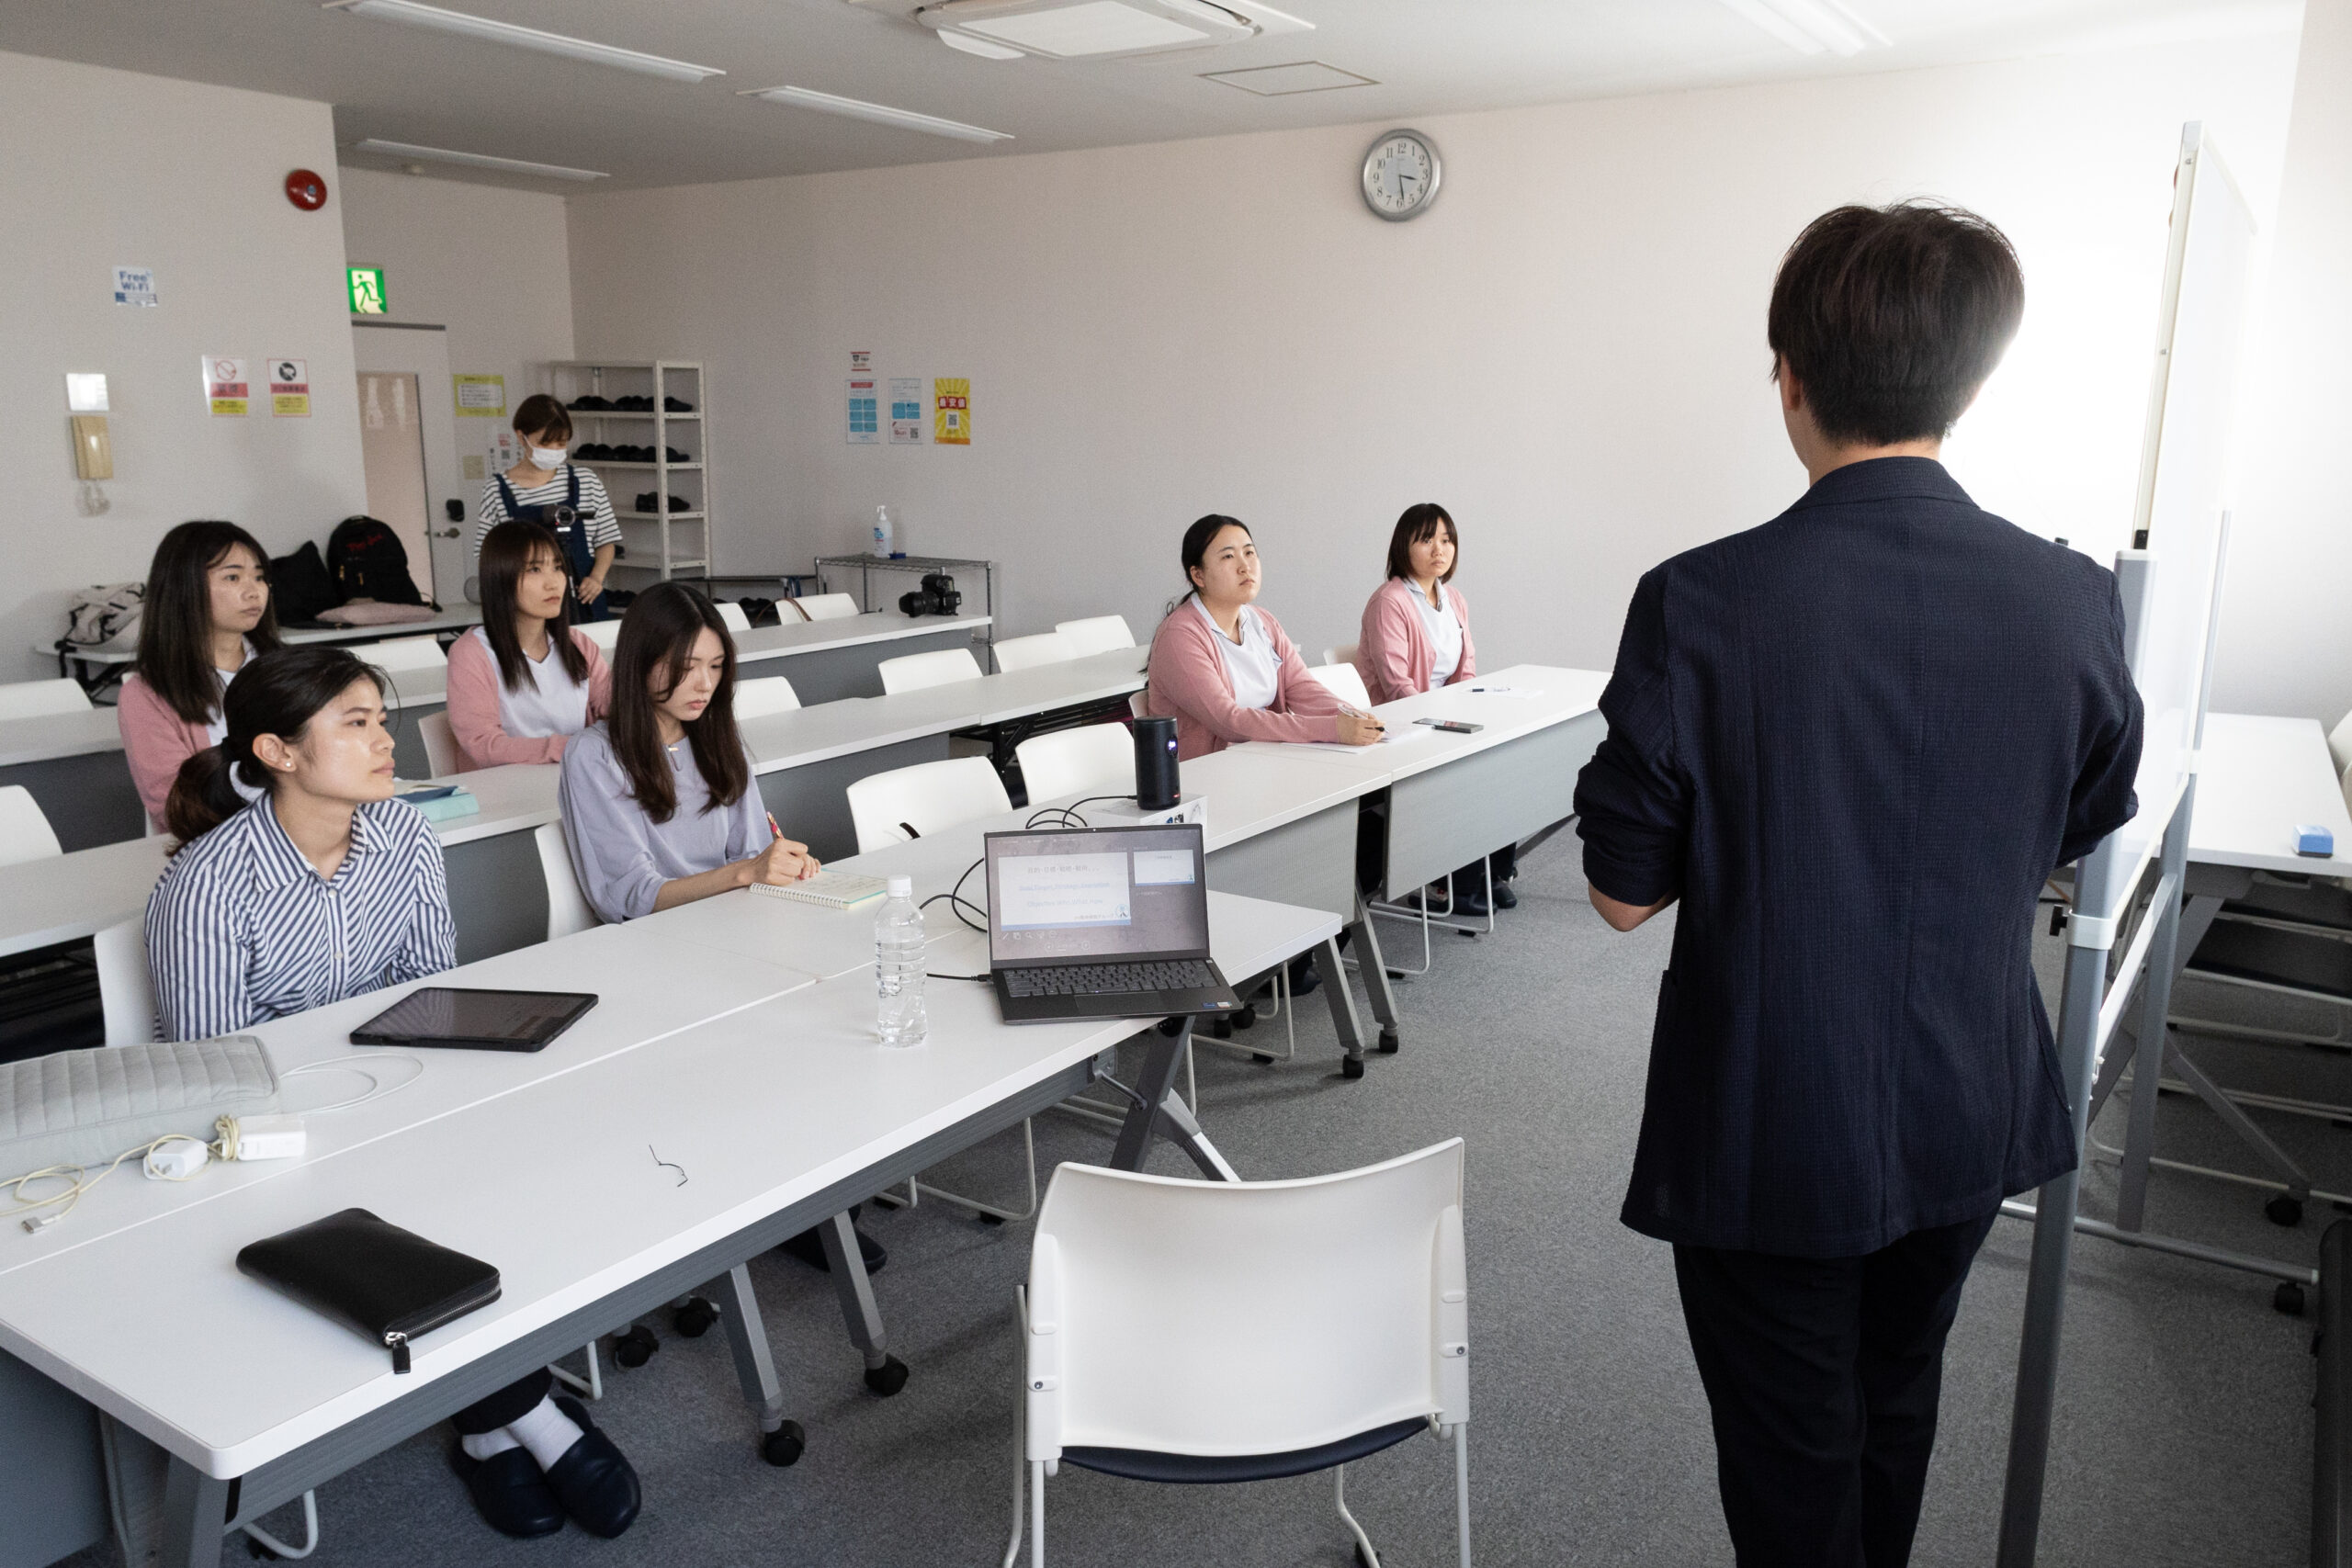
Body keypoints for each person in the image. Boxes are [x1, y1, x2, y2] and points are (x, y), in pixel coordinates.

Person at [1572, 201, 2143, 1568]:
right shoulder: (2072, 598)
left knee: (1788, 1455)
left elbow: (1618, 892)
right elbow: (2072, 822)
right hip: (1969, 1096)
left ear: (1789, 376)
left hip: (1772, 1115)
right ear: (1974, 383)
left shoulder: (1701, 600)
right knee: (1897, 1401)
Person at [144, 645, 643, 1541]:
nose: (387, 741)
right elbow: (216, 1073)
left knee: (516, 1160)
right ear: (277, 751)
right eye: (356, 724)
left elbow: (430, 996)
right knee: (424, 1202)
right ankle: (518, 1420)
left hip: (397, 1103)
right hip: (279, 1149)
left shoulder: (406, 837)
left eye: (381, 718)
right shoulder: (206, 885)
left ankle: (491, 1425)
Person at [556, 581, 883, 1272]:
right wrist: (745, 874)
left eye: (714, 666)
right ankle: (788, 1202)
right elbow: (631, 897)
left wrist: (777, 866)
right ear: (643, 662)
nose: (702, 683)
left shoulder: (718, 735)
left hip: (737, 936)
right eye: (685, 667)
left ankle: (811, 1184)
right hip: (653, 958)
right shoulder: (595, 757)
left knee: (837, 1002)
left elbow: (750, 847)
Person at [1353, 502, 1516, 913]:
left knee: (1502, 756)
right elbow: (1397, 686)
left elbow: (1467, 670)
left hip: (1443, 720)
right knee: (1467, 770)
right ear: (1402, 546)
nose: (1438, 549)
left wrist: (1467, 715)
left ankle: (1489, 873)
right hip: (1399, 725)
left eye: (1446, 539)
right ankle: (1448, 886)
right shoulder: (1389, 601)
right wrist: (1444, 724)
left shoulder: (1453, 598)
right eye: (1426, 539)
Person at [1144, 513, 1383, 761]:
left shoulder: (1262, 621)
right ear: (1198, 576)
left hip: (1262, 759)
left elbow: (1301, 688)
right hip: (1205, 774)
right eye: (1228, 556)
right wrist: (1332, 729)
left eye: (1249, 553)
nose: (1244, 566)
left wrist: (1354, 718)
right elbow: (1228, 721)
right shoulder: (1179, 637)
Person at [118, 521, 282, 832]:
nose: (254, 591)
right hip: (220, 848)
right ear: (184, 587)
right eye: (233, 577)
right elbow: (174, 804)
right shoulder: (146, 694)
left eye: (260, 577)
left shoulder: (287, 666)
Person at [444, 521, 614, 770]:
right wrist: (571, 746)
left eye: (557, 567)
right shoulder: (471, 653)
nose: (553, 582)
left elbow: (613, 708)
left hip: (576, 779)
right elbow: (483, 745)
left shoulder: (579, 644)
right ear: (501, 577)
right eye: (534, 570)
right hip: (505, 793)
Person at [474, 394, 619, 621]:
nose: (553, 449)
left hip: (585, 602)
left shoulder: (586, 480)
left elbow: (606, 541)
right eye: (544, 442)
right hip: (528, 611)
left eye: (561, 443)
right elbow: (488, 557)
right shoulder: (497, 491)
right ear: (521, 437)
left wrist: (596, 578)